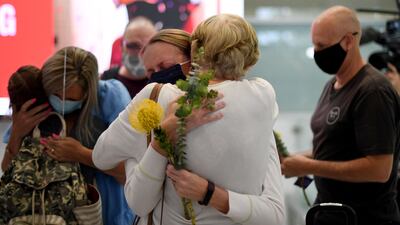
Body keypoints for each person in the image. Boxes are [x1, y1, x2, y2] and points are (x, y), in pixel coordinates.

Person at [93, 14, 285, 225]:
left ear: (194, 53)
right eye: (151, 71)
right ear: (251, 55)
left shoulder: (161, 96)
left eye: (164, 66)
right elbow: (275, 214)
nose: (157, 75)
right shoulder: (264, 95)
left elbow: (101, 157)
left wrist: (138, 150)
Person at [281, 6, 400, 225]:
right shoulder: (332, 85)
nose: (317, 52)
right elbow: (336, 149)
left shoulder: (372, 91)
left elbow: (379, 169)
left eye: (322, 46)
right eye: (314, 45)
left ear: (348, 41)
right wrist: (296, 160)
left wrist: (308, 167)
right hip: (329, 213)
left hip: (363, 218)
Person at [2, 47, 134, 225]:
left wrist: (81, 154)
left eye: (71, 99)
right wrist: (17, 133)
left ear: (89, 92)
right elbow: (7, 169)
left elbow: (128, 172)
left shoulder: (110, 98)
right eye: (55, 95)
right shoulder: (38, 100)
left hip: (102, 215)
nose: (61, 102)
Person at [102, 17, 157, 98]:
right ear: (121, 46)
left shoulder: (164, 83)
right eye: (133, 46)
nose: (140, 53)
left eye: (148, 46)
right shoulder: (106, 82)